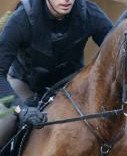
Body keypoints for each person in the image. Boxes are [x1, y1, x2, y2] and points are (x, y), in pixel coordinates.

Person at [0, 0, 113, 148]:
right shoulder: (22, 18)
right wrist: (20, 108)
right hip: (25, 86)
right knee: (8, 121)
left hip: (70, 89)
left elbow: (116, 51)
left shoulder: (89, 13)